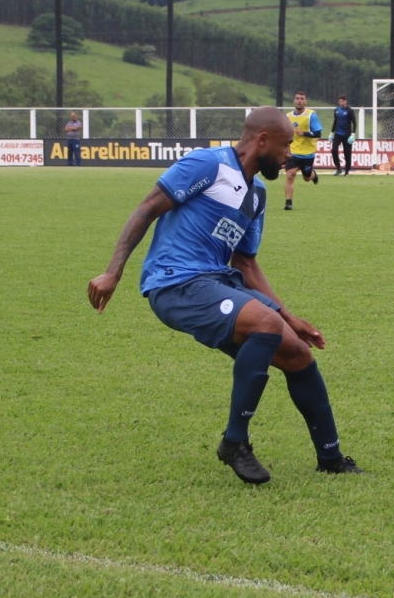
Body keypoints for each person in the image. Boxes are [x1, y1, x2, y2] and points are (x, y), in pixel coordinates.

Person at [87, 106, 362, 484]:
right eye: (285, 147)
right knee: (265, 326)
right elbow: (149, 207)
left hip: (219, 282)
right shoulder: (208, 164)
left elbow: (246, 265)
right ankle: (235, 442)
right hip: (175, 282)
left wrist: (290, 317)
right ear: (262, 140)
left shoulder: (257, 195)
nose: (288, 156)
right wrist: (113, 272)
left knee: (296, 351)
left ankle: (330, 458)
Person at [283, 91, 322, 210]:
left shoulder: (311, 115)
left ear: (305, 102)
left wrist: (304, 133)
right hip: (294, 152)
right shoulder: (288, 116)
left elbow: (318, 133)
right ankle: (288, 202)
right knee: (290, 175)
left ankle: (313, 175)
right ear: (294, 101)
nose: (299, 100)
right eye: (297, 98)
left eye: (302, 99)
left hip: (307, 153)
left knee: (306, 178)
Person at [331, 94, 357, 176]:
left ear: (346, 102)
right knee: (334, 150)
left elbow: (354, 123)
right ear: (338, 102)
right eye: (340, 101)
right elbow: (335, 122)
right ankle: (338, 168)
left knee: (347, 153)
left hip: (347, 135)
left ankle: (347, 171)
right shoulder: (336, 110)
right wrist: (331, 132)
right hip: (337, 134)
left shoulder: (349, 110)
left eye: (343, 101)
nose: (342, 103)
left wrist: (353, 134)